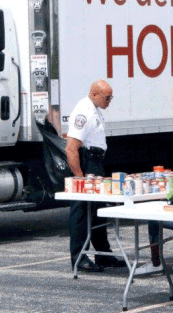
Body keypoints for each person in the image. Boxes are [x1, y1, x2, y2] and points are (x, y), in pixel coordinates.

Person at [65, 80, 126, 272]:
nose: (109, 101)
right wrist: (79, 178)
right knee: (81, 211)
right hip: (87, 162)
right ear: (94, 94)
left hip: (95, 162)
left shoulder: (95, 109)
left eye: (111, 97)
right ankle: (79, 257)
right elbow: (71, 148)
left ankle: (103, 254)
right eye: (107, 97)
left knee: (98, 211)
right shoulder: (84, 111)